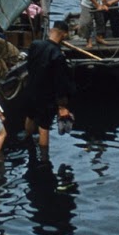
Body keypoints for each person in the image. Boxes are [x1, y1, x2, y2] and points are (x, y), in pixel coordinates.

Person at [21, 21, 76, 151]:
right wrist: (62, 105)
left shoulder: (35, 45)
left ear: (51, 30)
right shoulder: (58, 55)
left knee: (30, 116)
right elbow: (60, 82)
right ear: (64, 35)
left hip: (31, 90)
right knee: (44, 127)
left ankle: (27, 140)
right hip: (46, 96)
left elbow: (29, 66)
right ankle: (44, 159)